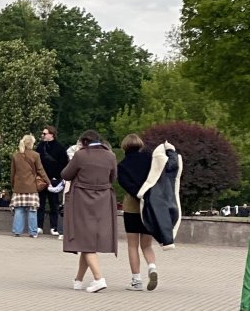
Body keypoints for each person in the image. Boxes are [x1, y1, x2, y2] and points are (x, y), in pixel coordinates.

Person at [62, 130, 118, 292]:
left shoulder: (81, 155)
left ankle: (98, 278)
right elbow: (113, 178)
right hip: (103, 200)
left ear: (84, 142)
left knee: (84, 239)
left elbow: (66, 174)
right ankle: (78, 280)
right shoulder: (111, 156)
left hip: (82, 200)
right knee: (87, 241)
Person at [116, 133, 160, 291]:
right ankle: (152, 267)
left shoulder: (122, 165)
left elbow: (125, 184)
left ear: (125, 146)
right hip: (149, 207)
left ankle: (136, 280)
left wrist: (137, 194)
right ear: (140, 145)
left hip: (132, 207)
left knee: (132, 245)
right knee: (147, 245)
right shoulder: (150, 161)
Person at [9, 134, 50, 237]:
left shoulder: (15, 155)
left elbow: (13, 173)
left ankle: (17, 231)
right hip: (31, 187)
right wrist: (48, 182)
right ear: (31, 143)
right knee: (32, 210)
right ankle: (33, 232)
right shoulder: (35, 155)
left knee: (19, 209)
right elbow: (40, 170)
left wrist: (13, 185)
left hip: (19, 187)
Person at [36, 125, 69, 235]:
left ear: (52, 134)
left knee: (53, 203)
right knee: (40, 203)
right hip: (41, 178)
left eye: (45, 133)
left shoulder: (59, 148)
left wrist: (57, 177)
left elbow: (64, 163)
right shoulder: (40, 146)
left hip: (54, 179)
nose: (43, 135)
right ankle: (39, 225)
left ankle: (54, 226)